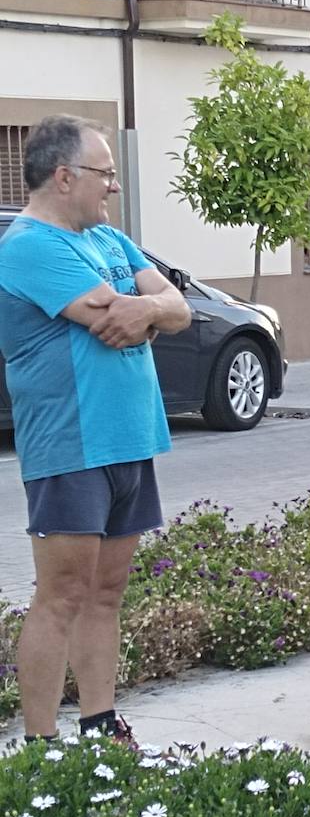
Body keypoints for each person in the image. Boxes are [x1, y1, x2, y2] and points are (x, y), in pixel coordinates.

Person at [0, 115, 192, 743]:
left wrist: (149, 309)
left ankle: (100, 721)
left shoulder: (110, 240)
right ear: (63, 176)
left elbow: (178, 308)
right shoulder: (29, 245)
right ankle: (41, 743)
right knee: (62, 594)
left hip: (129, 439)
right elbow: (109, 316)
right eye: (104, 173)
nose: (112, 186)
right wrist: (143, 309)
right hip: (70, 443)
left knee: (106, 592)